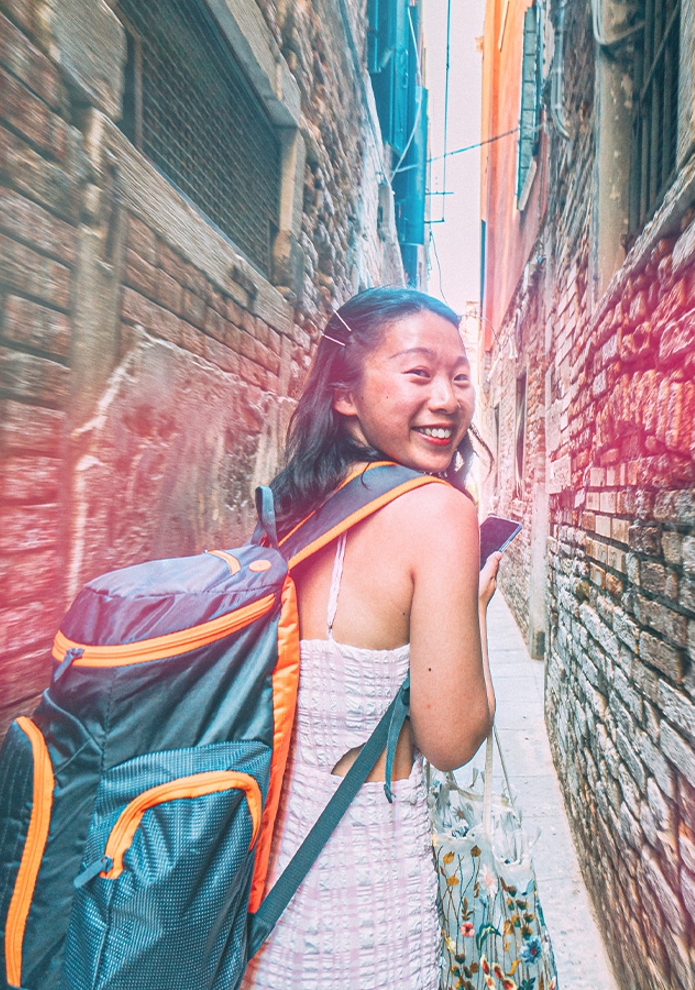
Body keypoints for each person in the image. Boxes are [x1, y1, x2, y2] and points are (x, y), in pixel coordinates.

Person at [242, 286, 498, 990]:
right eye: (418, 373)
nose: (447, 399)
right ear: (346, 393)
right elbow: (451, 740)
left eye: (459, 375)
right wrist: (475, 607)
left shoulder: (291, 511)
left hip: (272, 879)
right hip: (367, 889)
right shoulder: (437, 514)